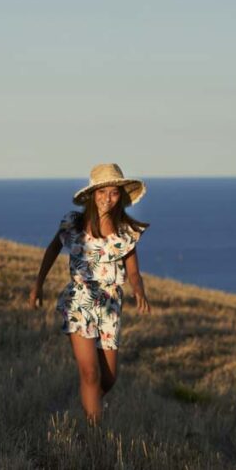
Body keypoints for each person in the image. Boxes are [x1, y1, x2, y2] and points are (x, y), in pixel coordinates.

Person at [29, 163, 151, 424]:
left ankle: (86, 407)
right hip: (79, 300)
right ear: (92, 196)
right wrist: (38, 284)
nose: (108, 198)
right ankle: (94, 437)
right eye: (102, 192)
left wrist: (139, 291)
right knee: (90, 374)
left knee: (108, 378)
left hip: (110, 306)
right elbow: (52, 250)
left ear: (120, 197)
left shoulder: (125, 233)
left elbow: (133, 272)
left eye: (114, 192)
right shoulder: (73, 224)